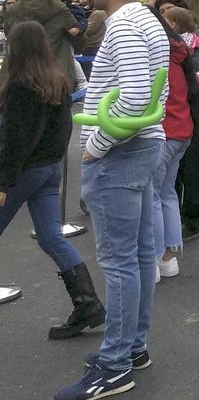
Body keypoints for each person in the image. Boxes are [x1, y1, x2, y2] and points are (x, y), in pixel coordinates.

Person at [57, 0, 169, 400]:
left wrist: (94, 147)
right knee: (139, 254)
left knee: (121, 261)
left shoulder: (122, 25)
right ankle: (133, 347)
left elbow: (137, 96)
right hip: (144, 145)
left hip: (120, 150)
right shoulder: (147, 20)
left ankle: (115, 363)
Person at [0, 22, 105, 340]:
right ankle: (87, 303)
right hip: (49, 169)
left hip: (23, 172)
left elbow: (16, 140)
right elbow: (62, 129)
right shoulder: (57, 80)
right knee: (50, 237)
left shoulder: (20, 86)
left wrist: (3, 182)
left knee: (49, 236)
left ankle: (88, 304)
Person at [152, 6, 199, 281]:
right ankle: (168, 257)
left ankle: (156, 257)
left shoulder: (158, 58)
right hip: (182, 129)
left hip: (164, 131)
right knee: (167, 193)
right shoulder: (179, 54)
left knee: (154, 196)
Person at [1, 0, 83, 88]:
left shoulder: (12, 10)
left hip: (18, 73)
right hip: (54, 75)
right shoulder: (59, 8)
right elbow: (78, 38)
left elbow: (9, 35)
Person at [79, 0, 107, 76]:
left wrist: (80, 27)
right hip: (97, 44)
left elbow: (89, 30)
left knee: (86, 70)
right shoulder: (103, 11)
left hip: (91, 45)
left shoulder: (99, 12)